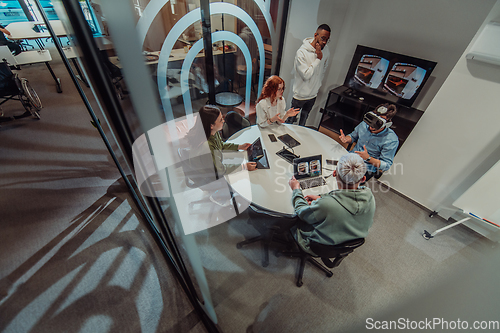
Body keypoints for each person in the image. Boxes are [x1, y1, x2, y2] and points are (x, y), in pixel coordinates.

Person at [288, 153, 375, 256]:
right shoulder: (370, 196)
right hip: (345, 240)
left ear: (334, 173)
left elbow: (301, 212)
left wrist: (296, 189)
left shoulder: (327, 205)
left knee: (291, 218)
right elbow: (343, 199)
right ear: (363, 179)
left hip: (317, 245)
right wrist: (322, 198)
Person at [338, 103, 399, 182]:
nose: (373, 124)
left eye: (379, 121)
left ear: (387, 123)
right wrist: (346, 139)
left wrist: (368, 158)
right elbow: (353, 137)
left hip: (366, 168)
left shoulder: (391, 140)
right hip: (350, 158)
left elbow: (386, 165)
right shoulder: (364, 124)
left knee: (345, 184)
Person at [192, 105, 257, 178]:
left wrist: (240, 146)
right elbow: (220, 170)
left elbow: (220, 145)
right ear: (211, 126)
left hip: (214, 166)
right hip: (207, 177)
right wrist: (244, 167)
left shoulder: (213, 132)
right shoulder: (207, 146)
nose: (223, 121)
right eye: (220, 120)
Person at [286, 24, 331, 126]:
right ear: (316, 35)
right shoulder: (302, 52)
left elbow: (324, 68)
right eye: (323, 38)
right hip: (299, 96)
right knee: (290, 122)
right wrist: (318, 59)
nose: (324, 42)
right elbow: (306, 75)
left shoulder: (326, 50)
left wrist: (318, 84)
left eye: (327, 40)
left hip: (313, 95)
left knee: (303, 123)